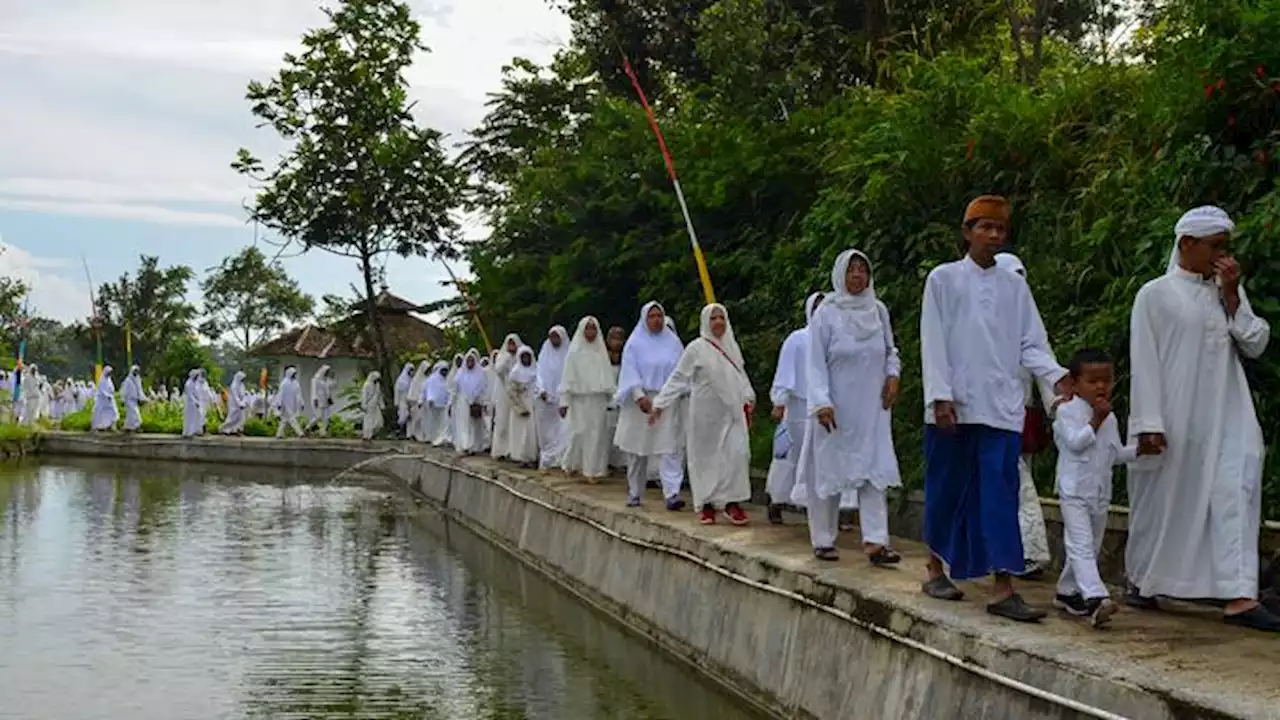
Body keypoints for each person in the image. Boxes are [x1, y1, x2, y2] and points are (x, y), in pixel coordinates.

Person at [1126, 205, 1280, 631]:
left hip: (1228, 410)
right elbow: (1146, 363)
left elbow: (1255, 343)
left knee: (1239, 480)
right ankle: (1145, 579)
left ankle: (1238, 594)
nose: (1221, 257)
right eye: (1214, 247)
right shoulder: (1153, 294)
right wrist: (1148, 424)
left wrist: (1232, 297)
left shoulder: (1224, 290)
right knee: (1167, 497)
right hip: (1175, 416)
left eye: (1224, 248)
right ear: (1186, 244)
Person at [920, 195, 1071, 623]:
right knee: (947, 490)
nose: (993, 236)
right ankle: (935, 567)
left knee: (1001, 497)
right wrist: (940, 396)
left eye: (1000, 230)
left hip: (1002, 408)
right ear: (967, 232)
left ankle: (1004, 587)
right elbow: (933, 339)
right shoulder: (943, 279)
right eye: (984, 228)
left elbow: (1032, 341)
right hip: (955, 406)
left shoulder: (1014, 285)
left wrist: (1055, 376)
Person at [795, 250, 903, 563]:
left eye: (863, 270)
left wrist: (893, 376)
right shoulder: (826, 313)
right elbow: (815, 363)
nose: (857, 276)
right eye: (851, 270)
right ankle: (824, 538)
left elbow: (890, 350)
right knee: (829, 470)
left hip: (872, 406)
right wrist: (821, 401)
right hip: (835, 407)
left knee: (874, 469)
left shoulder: (877, 310)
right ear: (840, 274)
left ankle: (876, 540)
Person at [1052, 348, 1155, 628]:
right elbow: (1075, 443)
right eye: (1092, 381)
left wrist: (1139, 451)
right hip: (1073, 489)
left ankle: (1067, 591)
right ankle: (1096, 597)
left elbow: (1113, 453)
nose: (1100, 387)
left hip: (1099, 490)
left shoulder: (1110, 418)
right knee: (1081, 543)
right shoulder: (1065, 412)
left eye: (1106, 380)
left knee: (1092, 544)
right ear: (1074, 384)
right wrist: (1094, 421)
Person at [650, 304, 754, 525]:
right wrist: (659, 404)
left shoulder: (731, 347)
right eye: (714, 318)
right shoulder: (696, 348)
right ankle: (706, 504)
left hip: (732, 412)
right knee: (705, 459)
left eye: (721, 318)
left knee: (737, 455)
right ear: (706, 322)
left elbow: (740, 375)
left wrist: (748, 397)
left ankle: (732, 503)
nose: (718, 322)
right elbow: (679, 378)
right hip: (705, 415)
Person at [994, 252, 1057, 578]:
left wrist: (1058, 405)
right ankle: (1022, 551)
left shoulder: (1028, 322)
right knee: (1014, 486)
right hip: (988, 418)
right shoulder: (984, 321)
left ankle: (1024, 552)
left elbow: (1043, 362)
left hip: (1020, 419)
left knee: (1018, 484)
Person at [614, 302, 687, 510]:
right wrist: (638, 396)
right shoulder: (634, 344)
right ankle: (635, 492)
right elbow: (629, 371)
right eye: (652, 316)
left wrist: (666, 397)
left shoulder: (673, 343)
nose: (657, 320)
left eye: (659, 316)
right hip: (641, 402)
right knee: (637, 449)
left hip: (667, 400)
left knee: (669, 446)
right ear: (644, 319)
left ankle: (672, 493)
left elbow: (680, 371)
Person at [766, 292, 823, 524]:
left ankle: (820, 509)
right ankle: (776, 499)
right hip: (798, 408)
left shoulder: (833, 340)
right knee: (791, 456)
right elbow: (786, 372)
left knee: (819, 459)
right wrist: (780, 400)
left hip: (822, 408)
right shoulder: (797, 339)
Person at [559, 316, 617, 481]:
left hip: (597, 399)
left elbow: (606, 375)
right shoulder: (574, 352)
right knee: (579, 432)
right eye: (588, 328)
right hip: (579, 400)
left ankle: (592, 470)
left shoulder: (600, 351)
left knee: (597, 434)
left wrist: (610, 396)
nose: (590, 332)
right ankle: (570, 463)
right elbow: (567, 378)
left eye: (593, 328)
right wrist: (564, 401)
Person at [536, 326, 569, 470]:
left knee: (563, 430)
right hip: (546, 400)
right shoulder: (545, 352)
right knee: (547, 432)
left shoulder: (569, 353)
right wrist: (542, 390)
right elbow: (538, 373)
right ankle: (548, 459)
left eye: (557, 337)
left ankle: (561, 459)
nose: (554, 340)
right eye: (552, 337)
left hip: (563, 399)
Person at [506, 346, 540, 467]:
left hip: (534, 404)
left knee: (532, 432)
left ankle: (531, 457)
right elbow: (511, 392)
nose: (526, 359)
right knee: (520, 433)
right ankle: (520, 457)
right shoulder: (515, 373)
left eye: (528, 356)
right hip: (521, 405)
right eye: (523, 357)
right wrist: (520, 408)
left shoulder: (537, 370)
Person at [490, 335, 522, 459]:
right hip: (503, 393)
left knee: (514, 422)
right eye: (509, 344)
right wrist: (507, 358)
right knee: (502, 421)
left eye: (513, 344)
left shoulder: (521, 356)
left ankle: (514, 451)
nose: (511, 346)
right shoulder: (502, 356)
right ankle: (500, 450)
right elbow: (498, 371)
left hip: (517, 393)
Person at [454, 350, 489, 455]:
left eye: (472, 360)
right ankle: (465, 445)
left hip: (476, 402)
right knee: (464, 425)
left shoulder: (480, 374)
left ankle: (474, 446)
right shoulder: (460, 374)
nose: (470, 363)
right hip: (462, 403)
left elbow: (483, 389)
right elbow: (455, 389)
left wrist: (481, 402)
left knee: (475, 425)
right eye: (468, 360)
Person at [605, 326, 628, 472]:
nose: (617, 342)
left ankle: (620, 464)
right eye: (613, 338)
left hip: (622, 403)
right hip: (606, 403)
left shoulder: (627, 356)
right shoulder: (602, 357)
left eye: (620, 338)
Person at [421, 361, 450, 444]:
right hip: (434, 404)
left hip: (444, 404)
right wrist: (430, 399)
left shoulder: (445, 380)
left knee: (443, 422)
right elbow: (430, 389)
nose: (445, 372)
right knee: (434, 422)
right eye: (443, 370)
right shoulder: (432, 379)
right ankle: (434, 438)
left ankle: (441, 438)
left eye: (446, 370)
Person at [275, 367, 307, 438]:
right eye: (293, 374)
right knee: (292, 419)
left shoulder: (295, 383)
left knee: (284, 420)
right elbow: (280, 394)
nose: (294, 375)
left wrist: (301, 403)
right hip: (285, 404)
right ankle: (300, 433)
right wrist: (279, 403)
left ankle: (279, 434)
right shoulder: (284, 383)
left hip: (293, 404)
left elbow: (299, 394)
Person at [220, 371, 250, 435]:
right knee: (232, 418)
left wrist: (244, 402)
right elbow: (235, 396)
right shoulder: (234, 385)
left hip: (241, 405)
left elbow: (243, 394)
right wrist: (240, 403)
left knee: (241, 418)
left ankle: (237, 430)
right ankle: (224, 429)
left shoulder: (242, 385)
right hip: (234, 404)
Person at [310, 365, 337, 436]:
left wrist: (333, 378)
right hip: (318, 400)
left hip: (326, 400)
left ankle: (322, 432)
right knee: (318, 416)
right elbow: (314, 390)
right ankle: (308, 427)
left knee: (327, 417)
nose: (327, 373)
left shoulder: (326, 379)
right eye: (327, 371)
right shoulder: (316, 379)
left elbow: (332, 386)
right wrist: (314, 398)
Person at [90, 365, 118, 431]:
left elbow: (112, 388)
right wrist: (107, 395)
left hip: (109, 399)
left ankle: (111, 425)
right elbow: (101, 390)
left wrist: (111, 394)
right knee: (99, 412)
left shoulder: (109, 380)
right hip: (102, 400)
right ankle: (98, 426)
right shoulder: (101, 380)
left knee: (113, 411)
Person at [394, 362, 415, 437]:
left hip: (410, 400)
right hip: (402, 400)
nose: (412, 372)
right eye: (411, 370)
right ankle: (399, 430)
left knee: (410, 417)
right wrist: (396, 402)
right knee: (403, 416)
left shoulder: (412, 380)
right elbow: (397, 392)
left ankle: (409, 434)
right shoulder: (401, 380)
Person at [121, 365, 144, 432]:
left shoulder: (138, 379)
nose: (136, 373)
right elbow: (124, 390)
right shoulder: (128, 380)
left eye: (137, 371)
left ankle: (129, 427)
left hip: (135, 400)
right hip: (129, 400)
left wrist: (142, 398)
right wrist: (122, 399)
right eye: (135, 371)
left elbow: (139, 389)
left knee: (131, 414)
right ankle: (136, 427)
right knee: (135, 413)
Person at [361, 372, 384, 440]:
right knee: (368, 421)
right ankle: (367, 435)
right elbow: (364, 396)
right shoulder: (367, 385)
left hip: (376, 406)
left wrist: (381, 404)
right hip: (369, 405)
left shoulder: (377, 385)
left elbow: (379, 395)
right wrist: (364, 405)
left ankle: (373, 433)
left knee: (378, 421)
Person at [182, 369, 204, 437]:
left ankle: (193, 431)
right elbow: (190, 394)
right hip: (190, 404)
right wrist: (195, 401)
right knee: (189, 418)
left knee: (194, 418)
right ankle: (188, 432)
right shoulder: (189, 383)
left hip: (194, 404)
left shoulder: (194, 383)